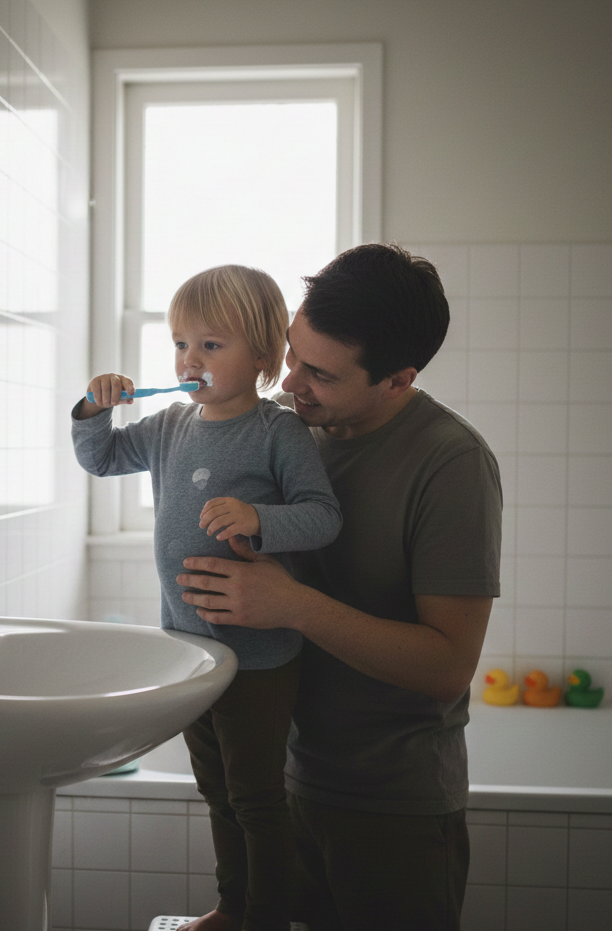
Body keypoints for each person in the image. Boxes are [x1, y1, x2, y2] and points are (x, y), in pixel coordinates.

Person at [177, 244, 503, 931]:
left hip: (391, 810)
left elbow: (447, 666)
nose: (290, 380)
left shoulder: (451, 463)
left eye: (319, 373)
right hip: (284, 781)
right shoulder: (289, 435)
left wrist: (291, 603)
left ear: (396, 378)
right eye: (292, 352)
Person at [72, 265, 342, 931]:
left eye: (211, 345)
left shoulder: (277, 431)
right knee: (217, 792)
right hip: (190, 650)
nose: (189, 358)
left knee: (255, 796)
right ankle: (234, 905)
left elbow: (322, 516)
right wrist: (92, 408)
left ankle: (268, 917)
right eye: (179, 342)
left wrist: (257, 518)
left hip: (257, 656)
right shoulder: (168, 425)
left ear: (262, 354)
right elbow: (101, 458)